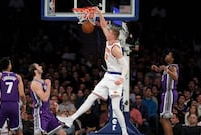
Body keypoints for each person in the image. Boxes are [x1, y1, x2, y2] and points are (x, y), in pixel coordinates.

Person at [57, 6, 129, 135]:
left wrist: (122, 78)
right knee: (90, 98)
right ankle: (70, 119)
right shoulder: (109, 39)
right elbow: (102, 25)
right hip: (108, 75)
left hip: (116, 78)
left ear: (114, 35)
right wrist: (99, 12)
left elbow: (125, 66)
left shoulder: (116, 49)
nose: (107, 31)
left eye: (110, 31)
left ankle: (124, 132)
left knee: (116, 108)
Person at [0, 57, 26, 135]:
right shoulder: (18, 77)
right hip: (15, 105)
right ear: (9, 65)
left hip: (3, 104)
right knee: (18, 130)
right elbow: (22, 94)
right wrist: (24, 104)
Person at [28, 63, 66, 135]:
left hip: (47, 111)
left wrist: (52, 102)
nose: (41, 66)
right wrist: (49, 85)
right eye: (38, 66)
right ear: (35, 71)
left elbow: (45, 98)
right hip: (40, 113)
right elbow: (44, 98)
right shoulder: (35, 83)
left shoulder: (42, 81)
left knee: (62, 133)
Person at [151, 49, 180, 135]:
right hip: (166, 93)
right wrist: (156, 68)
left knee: (164, 119)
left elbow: (175, 77)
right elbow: (162, 70)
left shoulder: (173, 67)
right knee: (163, 119)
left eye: (169, 55)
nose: (166, 56)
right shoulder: (168, 67)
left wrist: (166, 70)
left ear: (172, 58)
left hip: (169, 93)